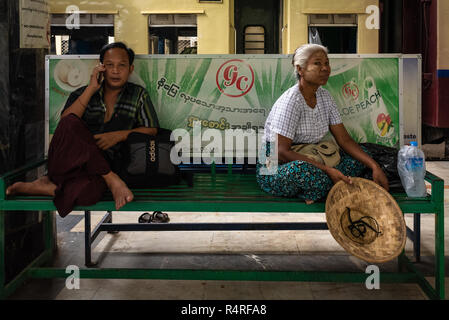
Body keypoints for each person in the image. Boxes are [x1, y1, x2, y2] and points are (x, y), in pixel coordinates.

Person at [6, 42, 160, 217]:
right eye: (110, 65)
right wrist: (91, 88)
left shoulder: (138, 95)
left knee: (90, 194)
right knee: (71, 122)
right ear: (101, 67)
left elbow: (151, 131)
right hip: (69, 163)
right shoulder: (83, 93)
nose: (115, 70)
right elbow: (65, 125)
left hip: (99, 169)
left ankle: (49, 187)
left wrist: (118, 136)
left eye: (121, 65)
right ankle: (112, 179)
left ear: (131, 68)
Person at [257, 44, 389, 204]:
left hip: (313, 158)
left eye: (327, 63)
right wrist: (328, 170)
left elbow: (344, 140)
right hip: (274, 165)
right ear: (300, 69)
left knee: (361, 156)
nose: (325, 68)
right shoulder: (292, 100)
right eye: (317, 63)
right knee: (304, 172)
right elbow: (281, 151)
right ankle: (334, 184)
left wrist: (375, 167)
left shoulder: (325, 97)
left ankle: (329, 186)